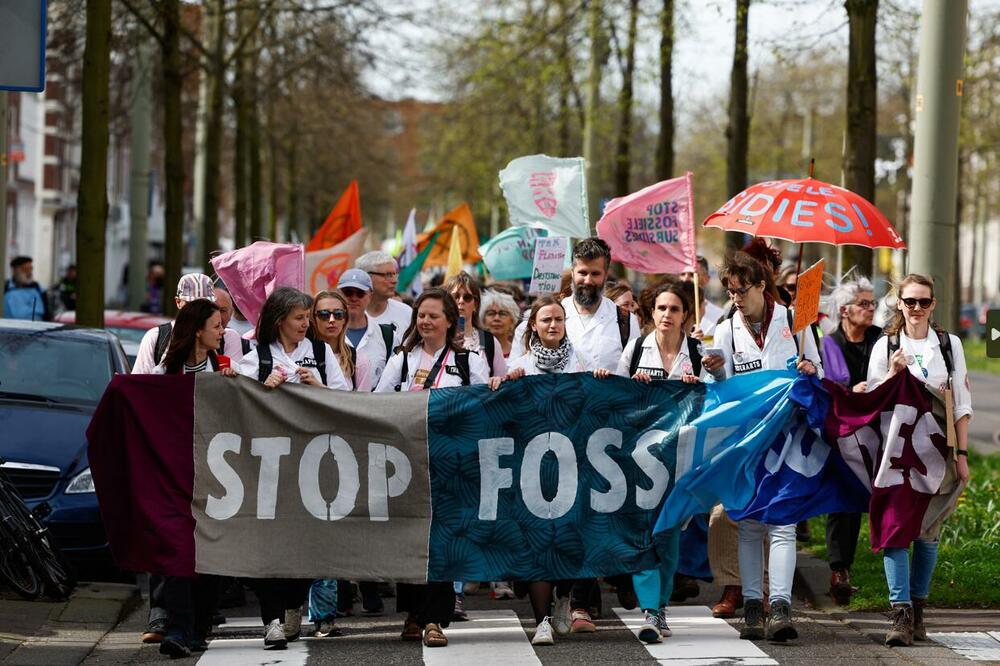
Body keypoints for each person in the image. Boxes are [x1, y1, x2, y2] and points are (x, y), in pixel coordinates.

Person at [510, 238, 641, 632]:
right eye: (581, 272)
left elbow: (626, 371)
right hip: (543, 438)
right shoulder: (552, 311)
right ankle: (557, 601)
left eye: (595, 273)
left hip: (597, 432)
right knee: (548, 519)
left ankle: (581, 601)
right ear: (573, 270)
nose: (587, 279)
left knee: (588, 517)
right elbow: (520, 361)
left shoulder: (622, 319)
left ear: (605, 274)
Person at [703, 251, 822, 643]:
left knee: (783, 521)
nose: (735, 298)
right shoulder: (726, 329)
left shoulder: (795, 321)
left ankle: (781, 606)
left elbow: (818, 370)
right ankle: (753, 605)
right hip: (748, 439)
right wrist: (716, 371)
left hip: (788, 436)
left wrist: (809, 368)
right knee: (750, 523)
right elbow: (722, 391)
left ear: (759, 285)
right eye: (730, 291)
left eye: (741, 290)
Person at [232, 288, 349, 649]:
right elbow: (233, 396)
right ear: (280, 319)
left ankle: (294, 603)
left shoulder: (321, 353)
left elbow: (348, 400)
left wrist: (319, 386)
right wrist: (261, 389)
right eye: (300, 318)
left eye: (307, 317)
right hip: (269, 465)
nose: (306, 324)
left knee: (309, 542)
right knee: (269, 543)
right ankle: (272, 621)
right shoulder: (257, 356)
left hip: (313, 462)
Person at [374, 289, 488, 648]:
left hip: (452, 463)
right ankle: (412, 613)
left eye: (433, 316)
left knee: (442, 539)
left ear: (450, 320)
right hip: (408, 461)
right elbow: (379, 402)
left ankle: (435, 619)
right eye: (421, 315)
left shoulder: (469, 360)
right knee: (411, 537)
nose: (425, 321)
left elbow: (483, 404)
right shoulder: (403, 359)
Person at [866, 274, 972, 647]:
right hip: (897, 452)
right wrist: (894, 374)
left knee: (928, 532)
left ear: (933, 305)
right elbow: (872, 403)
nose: (916, 309)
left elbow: (960, 402)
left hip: (938, 451)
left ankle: (919, 607)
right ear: (899, 304)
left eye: (923, 302)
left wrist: (962, 453)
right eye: (909, 301)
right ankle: (900, 612)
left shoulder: (948, 345)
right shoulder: (885, 345)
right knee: (896, 529)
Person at [597, 281, 702, 644]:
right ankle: (649, 610)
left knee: (668, 539)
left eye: (674, 309)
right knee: (644, 534)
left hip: (683, 461)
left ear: (686, 314)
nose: (666, 315)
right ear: (651, 313)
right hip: (641, 461)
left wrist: (699, 383)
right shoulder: (637, 348)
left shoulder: (699, 353)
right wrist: (631, 386)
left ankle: (660, 605)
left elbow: (719, 398)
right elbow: (616, 396)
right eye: (661, 309)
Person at [485, 296, 586, 646]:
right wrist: (504, 384)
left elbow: (592, 405)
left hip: (572, 464)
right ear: (534, 327)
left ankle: (563, 598)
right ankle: (541, 620)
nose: (554, 325)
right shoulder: (522, 365)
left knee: (571, 542)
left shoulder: (579, 363)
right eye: (546, 320)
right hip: (531, 468)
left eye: (559, 319)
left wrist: (600, 380)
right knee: (537, 544)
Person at [146, 299, 236, 657]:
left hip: (219, 480)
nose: (222, 331)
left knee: (214, 557)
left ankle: (198, 625)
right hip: (173, 479)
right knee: (179, 554)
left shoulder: (228, 369)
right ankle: (179, 629)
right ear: (198, 330)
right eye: (216, 325)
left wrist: (236, 388)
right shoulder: (162, 376)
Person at [820, 277, 882, 605]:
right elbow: (825, 385)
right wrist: (848, 393)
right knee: (843, 495)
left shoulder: (881, 339)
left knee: (868, 495)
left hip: (878, 430)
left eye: (873, 303)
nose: (871, 309)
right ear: (844, 310)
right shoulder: (828, 344)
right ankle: (839, 570)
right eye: (864, 304)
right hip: (841, 431)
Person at [132, 274, 244, 374]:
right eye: (191, 305)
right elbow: (141, 386)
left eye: (205, 305)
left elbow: (237, 385)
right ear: (178, 302)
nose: (198, 312)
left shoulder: (228, 338)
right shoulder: (156, 337)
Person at [336, 269, 398, 391]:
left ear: (370, 295)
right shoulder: (325, 333)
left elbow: (393, 381)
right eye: (348, 292)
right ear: (338, 294)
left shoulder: (388, 336)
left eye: (360, 293)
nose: (353, 298)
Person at [445, 271, 506, 379]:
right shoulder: (437, 338)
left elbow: (501, 382)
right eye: (455, 296)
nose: (461, 301)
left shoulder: (489, 341)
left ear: (475, 305)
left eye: (467, 297)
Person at [356, 251, 412, 335]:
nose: (395, 281)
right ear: (367, 277)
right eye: (388, 275)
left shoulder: (406, 313)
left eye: (395, 274)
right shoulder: (347, 314)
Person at [680, 255, 725, 338]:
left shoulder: (719, 316)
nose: (686, 279)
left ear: (706, 279)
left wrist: (700, 341)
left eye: (692, 275)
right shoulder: (671, 310)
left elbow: (715, 343)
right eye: (682, 274)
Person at [4, 256, 50, 321]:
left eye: (31, 269)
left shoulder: (38, 288)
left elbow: (45, 312)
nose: (29, 273)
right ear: (15, 270)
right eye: (25, 269)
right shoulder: (6, 287)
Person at [479, 289, 521, 359]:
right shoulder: (477, 352)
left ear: (512, 320)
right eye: (491, 313)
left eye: (502, 314)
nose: (497, 318)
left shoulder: (520, 352)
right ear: (483, 320)